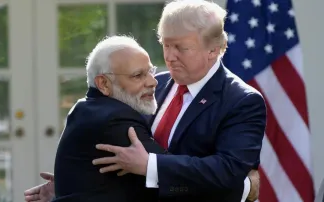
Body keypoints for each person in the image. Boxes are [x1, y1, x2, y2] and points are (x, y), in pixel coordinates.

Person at [24, 0, 264, 201]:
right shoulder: (150, 85)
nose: (169, 57)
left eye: (181, 47)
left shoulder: (243, 101)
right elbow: (117, 148)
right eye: (165, 44)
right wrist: (82, 181)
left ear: (214, 49)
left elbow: (226, 171)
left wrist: (151, 165)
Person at [51, 35, 166, 201]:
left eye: (150, 71)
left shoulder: (85, 108)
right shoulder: (115, 120)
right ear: (104, 84)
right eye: (138, 75)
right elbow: (172, 175)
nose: (153, 81)